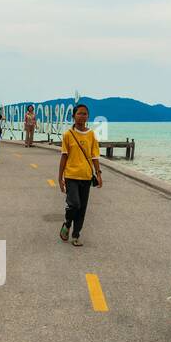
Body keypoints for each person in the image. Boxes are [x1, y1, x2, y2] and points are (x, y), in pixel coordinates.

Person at [58, 103, 101, 246]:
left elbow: (94, 156)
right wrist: (60, 177)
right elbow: (64, 156)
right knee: (75, 204)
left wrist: (98, 173)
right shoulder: (68, 135)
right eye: (79, 113)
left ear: (88, 116)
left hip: (86, 176)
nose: (82, 116)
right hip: (71, 175)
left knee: (82, 208)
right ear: (73, 116)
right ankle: (67, 223)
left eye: (85, 113)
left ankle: (76, 235)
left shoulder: (91, 135)